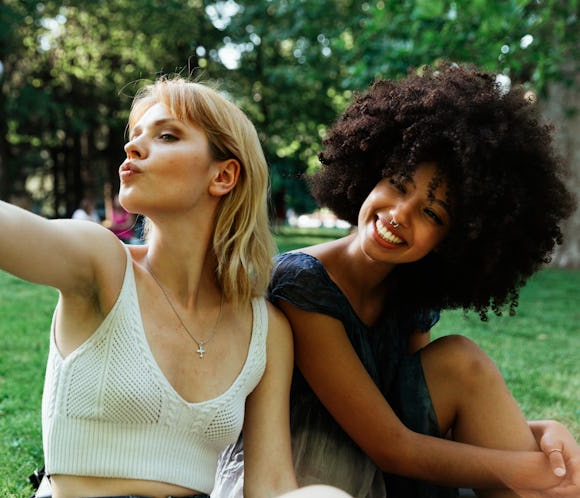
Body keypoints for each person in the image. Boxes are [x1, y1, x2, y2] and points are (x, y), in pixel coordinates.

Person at [0, 20, 352, 498]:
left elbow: (272, 486)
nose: (133, 148)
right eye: (134, 136)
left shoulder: (267, 330)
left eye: (166, 135)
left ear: (223, 176)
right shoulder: (101, 263)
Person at [245, 63, 578, 497]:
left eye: (431, 213)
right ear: (371, 172)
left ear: (450, 241)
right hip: (315, 471)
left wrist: (540, 433)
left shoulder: (408, 294)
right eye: (399, 185)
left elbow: (422, 418)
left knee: (461, 359)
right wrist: (533, 471)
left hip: (386, 462)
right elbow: (391, 445)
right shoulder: (301, 284)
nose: (400, 214)